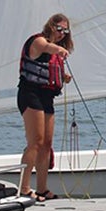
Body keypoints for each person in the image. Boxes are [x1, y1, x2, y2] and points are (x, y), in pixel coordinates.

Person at [17, 13, 73, 201]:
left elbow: (51, 71)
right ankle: (24, 188)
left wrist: (63, 77)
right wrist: (58, 49)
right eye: (60, 30)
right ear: (50, 26)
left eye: (66, 31)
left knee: (47, 144)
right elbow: (48, 47)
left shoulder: (55, 51)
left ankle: (42, 188)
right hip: (30, 94)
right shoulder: (38, 41)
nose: (62, 34)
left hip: (46, 97)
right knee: (36, 142)